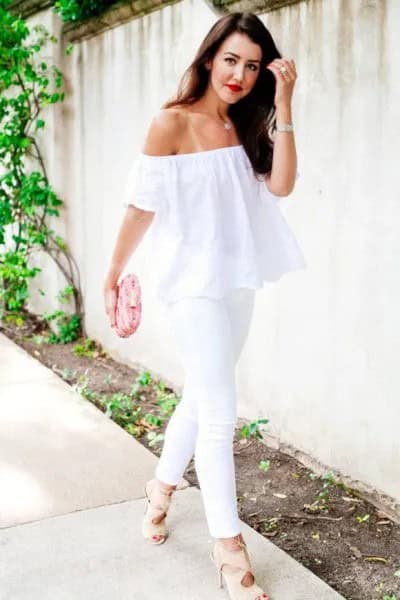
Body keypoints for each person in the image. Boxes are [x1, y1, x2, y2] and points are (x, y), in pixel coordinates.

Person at [104, 11, 306, 600]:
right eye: (230, 60)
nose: (239, 74)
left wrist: (285, 102)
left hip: (236, 281)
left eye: (250, 65)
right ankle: (228, 547)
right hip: (189, 283)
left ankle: (160, 491)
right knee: (220, 411)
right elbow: (141, 205)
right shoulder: (170, 123)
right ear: (208, 57)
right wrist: (114, 273)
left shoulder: (249, 126)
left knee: (201, 394)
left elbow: (283, 186)